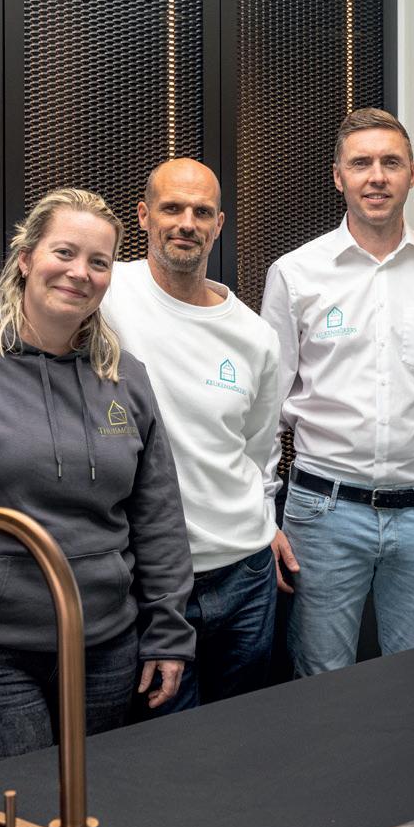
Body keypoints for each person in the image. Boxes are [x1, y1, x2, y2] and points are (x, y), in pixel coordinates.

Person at [0, 188, 193, 772]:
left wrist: (169, 631)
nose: (80, 273)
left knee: (94, 803)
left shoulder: (125, 378)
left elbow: (158, 518)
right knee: (17, 810)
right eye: (64, 253)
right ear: (25, 258)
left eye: (99, 262)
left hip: (107, 649)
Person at [259, 108, 414, 676]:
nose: (376, 177)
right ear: (337, 176)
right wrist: (263, 513)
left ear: (413, 173)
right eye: (361, 163)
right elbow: (266, 409)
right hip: (321, 515)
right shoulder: (295, 273)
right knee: (320, 681)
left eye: (391, 163)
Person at [100, 158, 289, 711]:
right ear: (143, 216)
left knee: (240, 733)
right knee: (166, 739)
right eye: (172, 208)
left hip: (245, 572)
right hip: (152, 580)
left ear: (219, 224)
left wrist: (266, 522)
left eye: (202, 212)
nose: (187, 223)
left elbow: (259, 449)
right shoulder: (106, 293)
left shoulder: (254, 335)